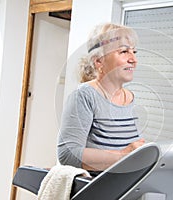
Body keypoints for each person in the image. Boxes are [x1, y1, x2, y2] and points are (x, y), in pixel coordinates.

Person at [57, 23, 145, 172]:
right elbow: (67, 154)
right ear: (99, 61)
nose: (133, 59)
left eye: (134, 52)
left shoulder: (130, 97)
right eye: (124, 51)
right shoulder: (84, 96)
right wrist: (122, 156)